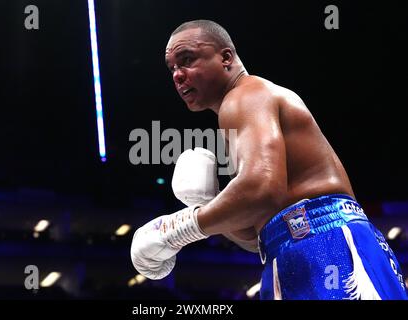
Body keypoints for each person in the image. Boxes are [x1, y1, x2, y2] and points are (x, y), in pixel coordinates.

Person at [130, 19, 407, 300]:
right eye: (173, 68)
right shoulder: (242, 110)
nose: (178, 75)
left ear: (226, 57)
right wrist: (208, 203)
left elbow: (263, 190)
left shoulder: (245, 97)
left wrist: (175, 230)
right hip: (293, 249)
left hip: (323, 244)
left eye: (187, 60)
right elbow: (257, 237)